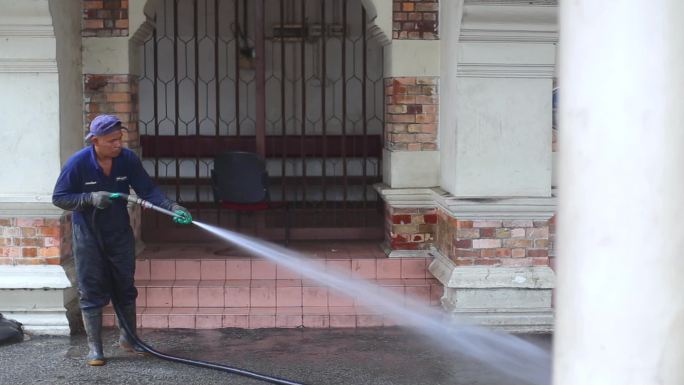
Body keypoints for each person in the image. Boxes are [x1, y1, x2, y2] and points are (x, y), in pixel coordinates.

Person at [52, 115, 192, 366]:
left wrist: (172, 206)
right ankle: (95, 348)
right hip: (88, 235)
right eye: (112, 141)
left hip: (118, 232)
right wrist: (90, 198)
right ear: (95, 141)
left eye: (120, 139)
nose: (118, 145)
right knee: (91, 288)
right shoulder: (77, 164)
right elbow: (60, 198)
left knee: (124, 284)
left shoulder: (127, 160)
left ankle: (129, 339)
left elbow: (147, 190)